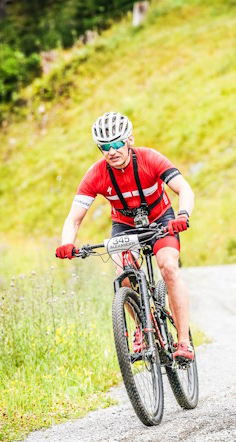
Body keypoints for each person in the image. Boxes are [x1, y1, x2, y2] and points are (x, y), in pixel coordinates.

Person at [56, 112, 195, 363]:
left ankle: (184, 342)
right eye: (105, 147)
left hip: (161, 220)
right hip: (124, 226)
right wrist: (67, 243)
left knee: (168, 267)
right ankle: (142, 326)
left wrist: (183, 215)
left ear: (129, 139)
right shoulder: (96, 174)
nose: (112, 151)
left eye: (117, 143)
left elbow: (184, 188)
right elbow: (73, 218)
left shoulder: (149, 159)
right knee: (123, 276)